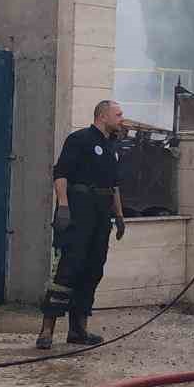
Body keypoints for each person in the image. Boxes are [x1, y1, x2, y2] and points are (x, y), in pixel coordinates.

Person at [37, 100, 127, 350]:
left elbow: (114, 185)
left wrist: (118, 216)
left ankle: (79, 330)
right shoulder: (79, 139)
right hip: (80, 209)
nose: (122, 118)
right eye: (118, 114)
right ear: (102, 116)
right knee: (68, 268)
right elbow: (61, 174)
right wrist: (63, 206)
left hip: (102, 213)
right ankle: (47, 330)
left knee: (93, 269)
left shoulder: (112, 146)